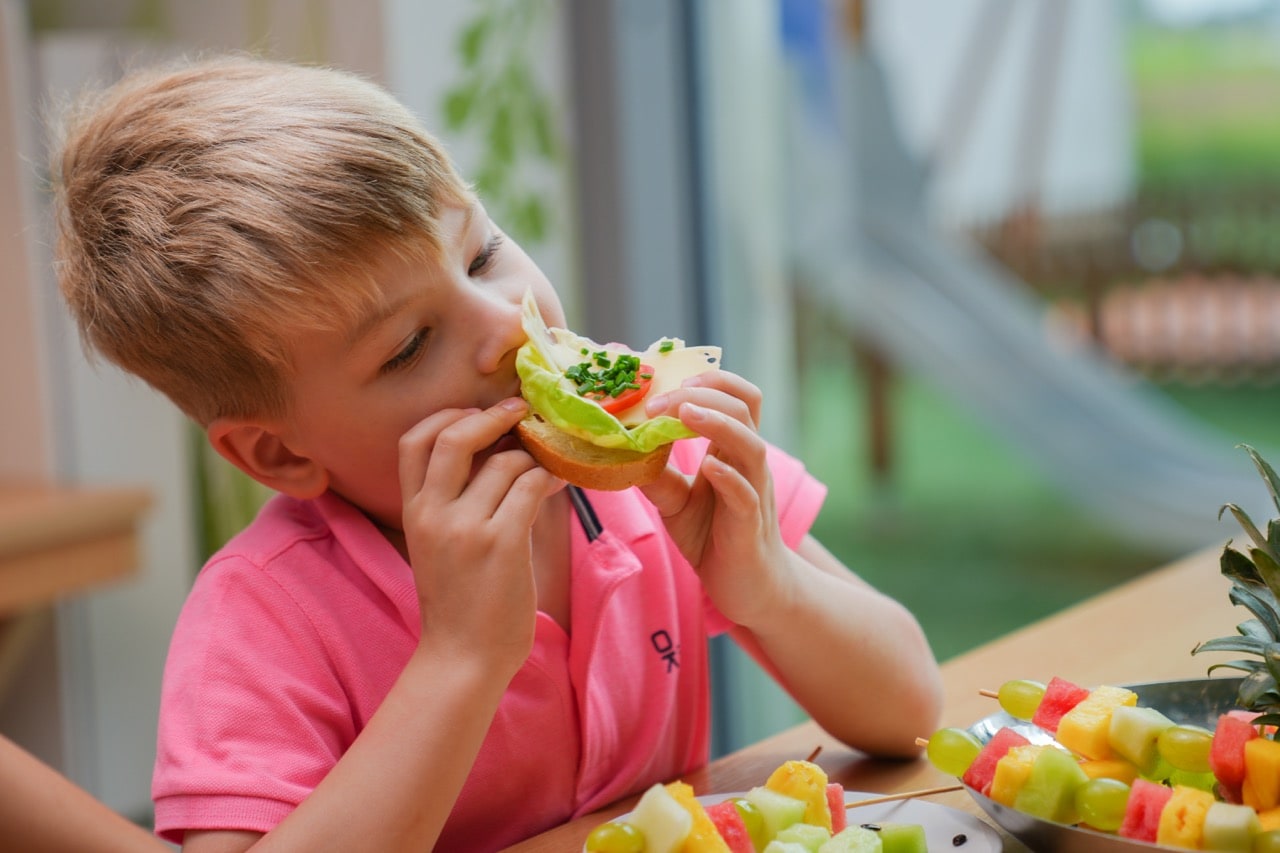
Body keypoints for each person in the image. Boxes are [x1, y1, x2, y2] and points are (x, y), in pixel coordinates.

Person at [48, 54, 943, 851]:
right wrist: (460, 660)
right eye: (406, 346)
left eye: (482, 255)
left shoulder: (658, 472)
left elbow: (910, 711)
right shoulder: (266, 616)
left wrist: (768, 588)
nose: (502, 327)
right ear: (279, 455)